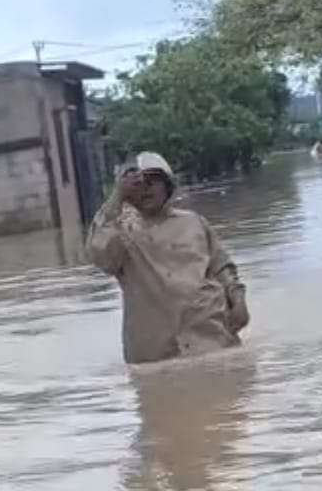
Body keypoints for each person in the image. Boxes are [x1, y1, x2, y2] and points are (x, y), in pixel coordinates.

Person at [87, 151, 249, 365]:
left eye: (153, 180)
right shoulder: (121, 233)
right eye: (137, 184)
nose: (146, 188)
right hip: (156, 353)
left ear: (167, 185)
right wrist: (116, 199)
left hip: (212, 338)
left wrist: (238, 300)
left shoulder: (194, 222)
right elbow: (100, 256)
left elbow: (222, 266)